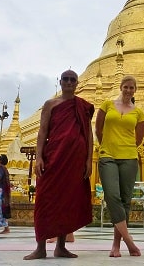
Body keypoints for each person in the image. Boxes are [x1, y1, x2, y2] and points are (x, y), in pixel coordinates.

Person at [23, 70, 94, 260]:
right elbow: (42, 132)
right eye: (66, 79)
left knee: (67, 202)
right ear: (60, 82)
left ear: (77, 83)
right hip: (53, 157)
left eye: (72, 80)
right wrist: (39, 157)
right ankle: (40, 247)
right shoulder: (51, 104)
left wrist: (88, 160)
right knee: (45, 200)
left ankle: (61, 246)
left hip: (75, 160)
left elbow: (89, 134)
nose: (69, 82)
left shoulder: (82, 106)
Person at [96, 75, 144, 257]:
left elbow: (138, 139)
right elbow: (98, 129)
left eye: (132, 88)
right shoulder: (107, 105)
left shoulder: (138, 112)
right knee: (112, 196)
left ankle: (116, 245)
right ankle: (129, 241)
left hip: (129, 158)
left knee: (125, 201)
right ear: (121, 87)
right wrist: (106, 145)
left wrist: (126, 148)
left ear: (135, 90)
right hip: (107, 155)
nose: (128, 90)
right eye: (126, 87)